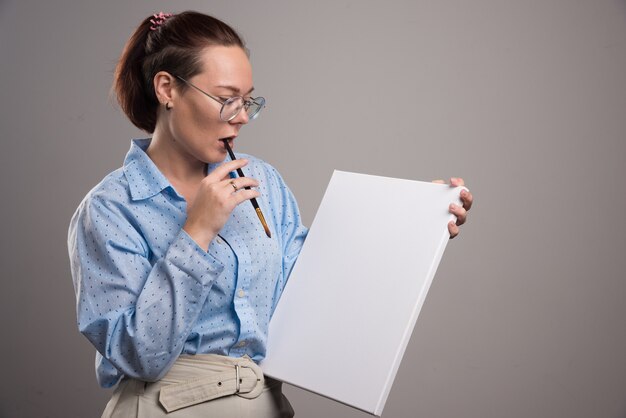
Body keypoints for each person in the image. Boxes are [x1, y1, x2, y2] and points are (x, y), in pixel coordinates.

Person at [68, 10, 473, 418]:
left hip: (265, 404)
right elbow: (140, 357)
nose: (242, 116)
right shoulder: (109, 209)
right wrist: (197, 232)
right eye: (227, 100)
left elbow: (313, 293)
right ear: (167, 88)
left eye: (247, 101)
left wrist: (417, 225)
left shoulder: (262, 180)